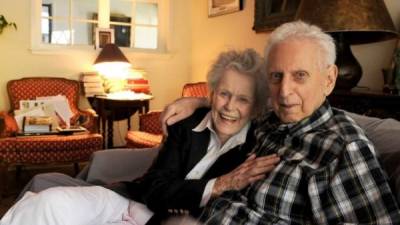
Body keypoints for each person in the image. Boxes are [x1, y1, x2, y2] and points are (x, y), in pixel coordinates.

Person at [0, 49, 280, 225]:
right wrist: (218, 185)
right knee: (50, 202)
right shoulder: (186, 123)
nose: (230, 107)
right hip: (129, 200)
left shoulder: (258, 142)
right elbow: (155, 188)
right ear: (212, 93)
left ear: (255, 106)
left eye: (243, 99)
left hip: (169, 220)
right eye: (224, 94)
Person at [160, 21, 400, 224]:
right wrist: (201, 101)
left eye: (300, 76)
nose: (284, 92)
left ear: (329, 79)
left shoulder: (343, 149)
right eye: (277, 76)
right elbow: (239, 103)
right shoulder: (271, 119)